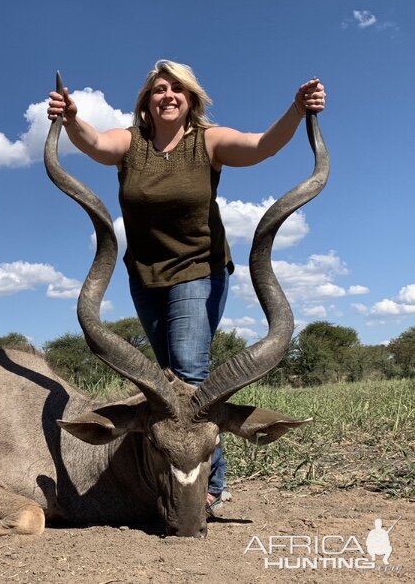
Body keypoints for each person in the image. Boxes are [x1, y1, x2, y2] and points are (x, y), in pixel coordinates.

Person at [47, 60, 325, 514]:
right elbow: (94, 143)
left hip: (199, 272)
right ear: (147, 102)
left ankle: (210, 487)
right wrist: (71, 116)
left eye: (178, 89)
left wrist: (297, 110)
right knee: (168, 385)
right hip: (146, 276)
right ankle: (170, 474)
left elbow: (261, 147)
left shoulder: (207, 142)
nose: (168, 96)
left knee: (193, 382)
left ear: (191, 99)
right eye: (159, 89)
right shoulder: (130, 143)